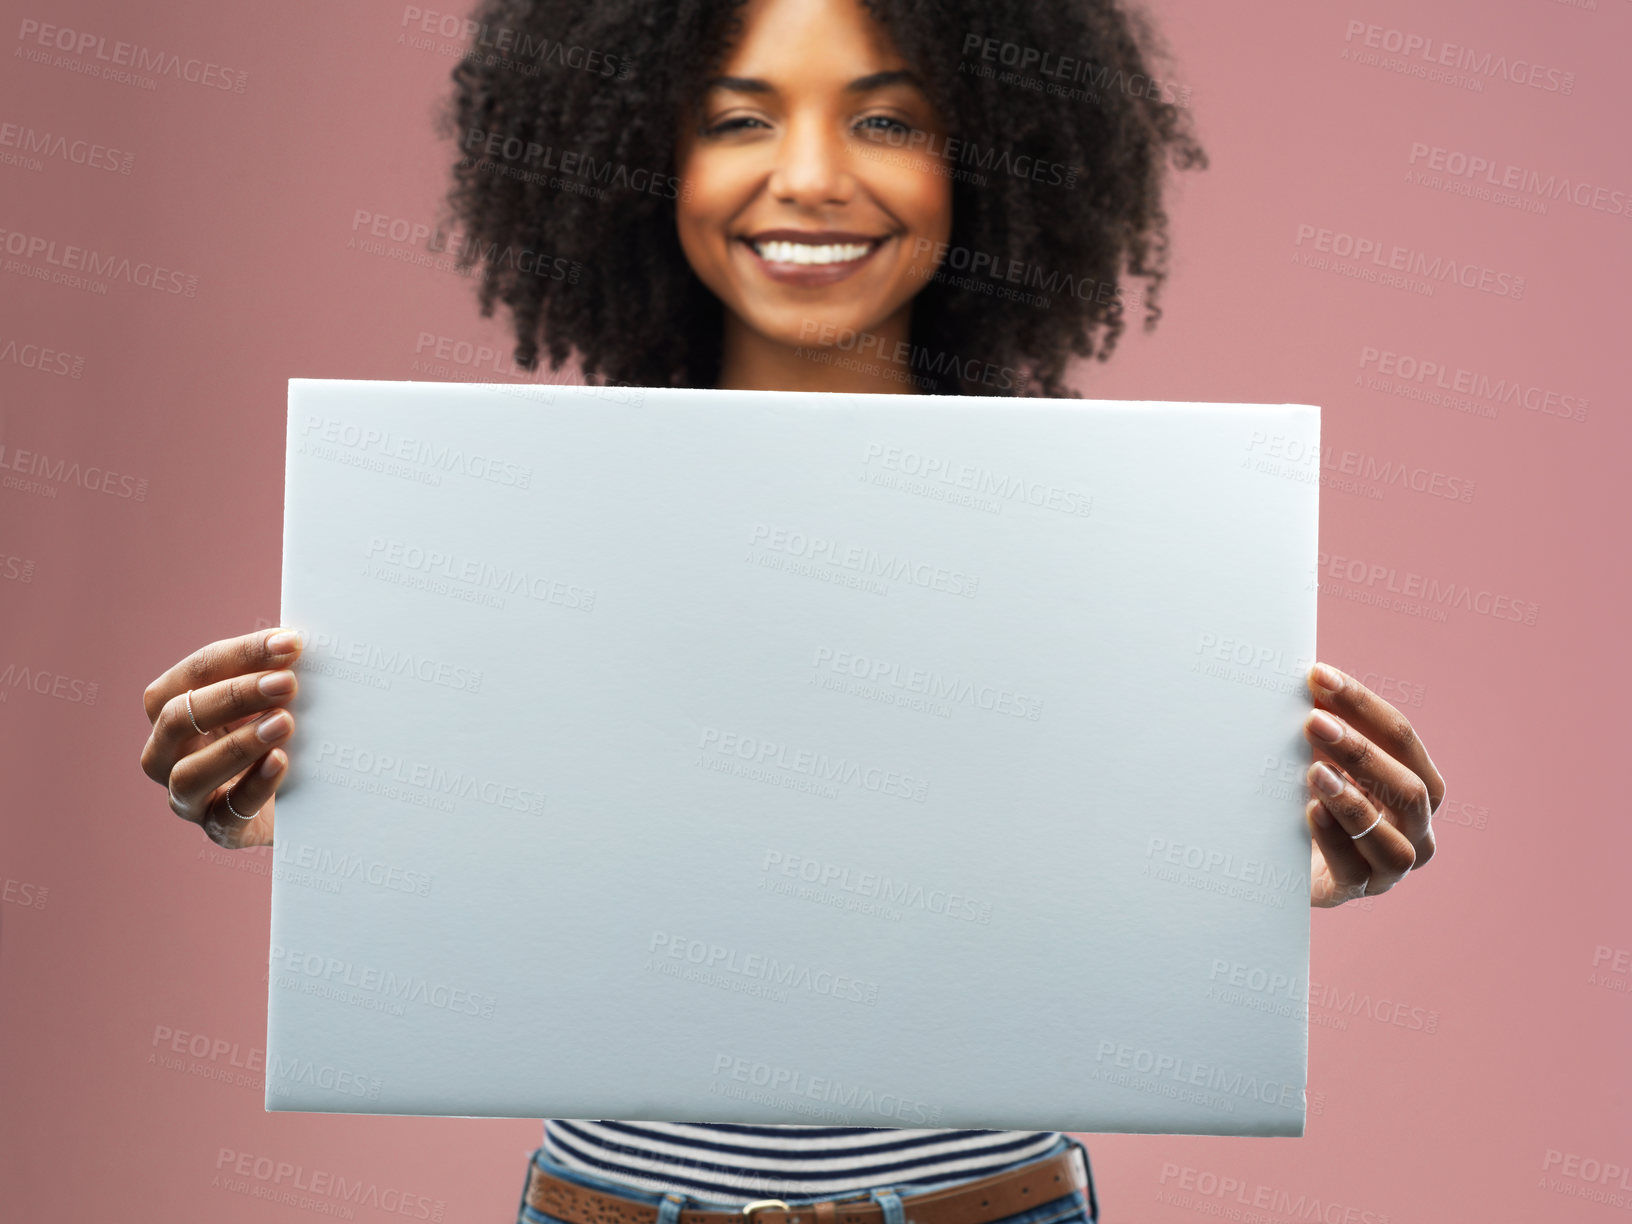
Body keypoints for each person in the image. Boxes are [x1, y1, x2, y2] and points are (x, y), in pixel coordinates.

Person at [139, 1, 1448, 1220]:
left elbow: (1031, 903)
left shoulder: (1122, 550)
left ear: (981, 159)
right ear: (635, 154)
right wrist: (317, 820)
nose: (813, 174)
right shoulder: (505, 534)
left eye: (885, 119)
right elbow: (546, 877)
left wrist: (1257, 892)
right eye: (736, 118)